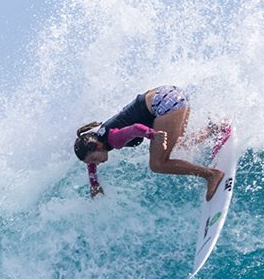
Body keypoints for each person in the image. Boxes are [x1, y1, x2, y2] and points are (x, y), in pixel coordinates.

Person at [73, 85, 224, 200]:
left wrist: (152, 135)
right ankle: (213, 129)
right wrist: (94, 184)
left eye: (94, 159)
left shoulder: (113, 139)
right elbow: (90, 160)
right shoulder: (98, 137)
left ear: (98, 146)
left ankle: (211, 175)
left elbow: (133, 129)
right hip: (169, 94)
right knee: (176, 144)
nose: (96, 163)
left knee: (158, 164)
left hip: (164, 104)